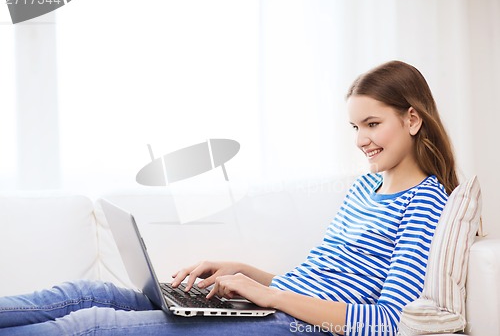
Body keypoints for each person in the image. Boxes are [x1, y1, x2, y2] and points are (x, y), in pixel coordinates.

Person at [0, 60, 458, 336]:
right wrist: (245, 274)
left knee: (91, 327)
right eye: (354, 127)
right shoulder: (365, 187)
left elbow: (386, 322)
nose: (361, 139)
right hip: (277, 307)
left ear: (413, 119)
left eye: (372, 124)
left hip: (296, 326)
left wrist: (268, 297)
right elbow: (327, 277)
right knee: (90, 293)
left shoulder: (426, 203)